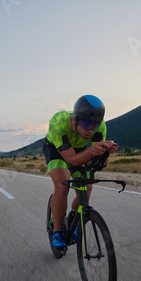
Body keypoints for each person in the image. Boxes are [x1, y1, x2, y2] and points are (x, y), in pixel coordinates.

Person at [43, 95, 119, 248]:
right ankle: (57, 230)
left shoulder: (101, 127)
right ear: (75, 119)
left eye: (95, 125)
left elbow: (98, 164)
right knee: (62, 185)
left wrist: (105, 153)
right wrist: (91, 150)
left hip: (80, 150)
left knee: (87, 186)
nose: (90, 130)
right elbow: (71, 159)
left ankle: (74, 219)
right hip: (56, 150)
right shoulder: (59, 122)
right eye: (85, 124)